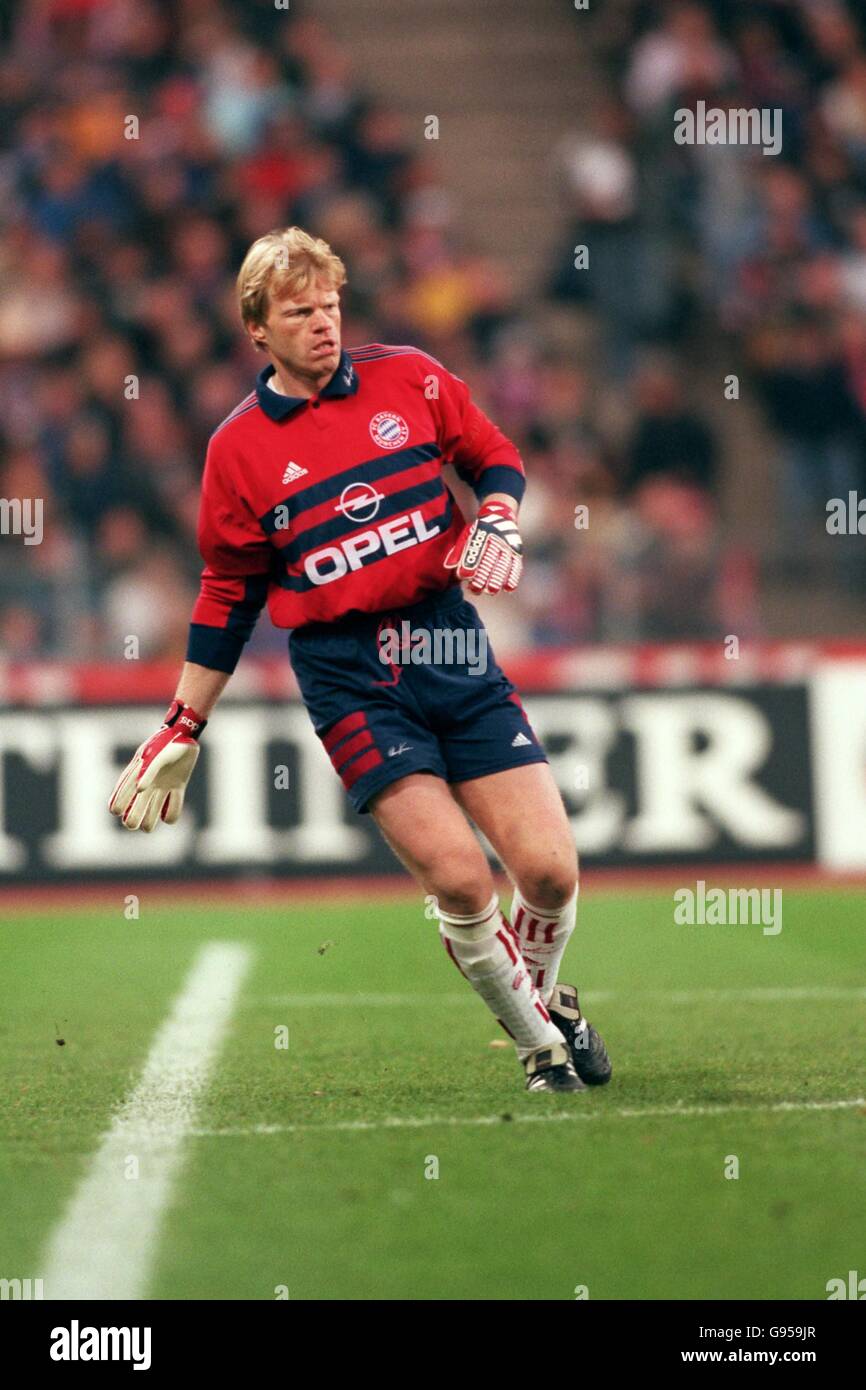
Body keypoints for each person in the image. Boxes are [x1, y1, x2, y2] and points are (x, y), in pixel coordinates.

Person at [109, 226, 611, 1095]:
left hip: (449, 640)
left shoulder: (408, 375)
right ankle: (542, 1048)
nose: (322, 324)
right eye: (299, 312)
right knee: (459, 880)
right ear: (257, 330)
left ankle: (545, 1006)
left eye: (331, 307)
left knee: (551, 873)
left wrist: (496, 513)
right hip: (347, 673)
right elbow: (229, 592)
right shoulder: (237, 449)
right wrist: (184, 720)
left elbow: (495, 455)